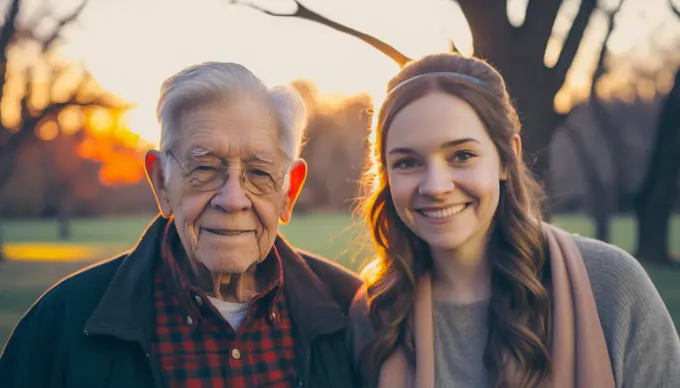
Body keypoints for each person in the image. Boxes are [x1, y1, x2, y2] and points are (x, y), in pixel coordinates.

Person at [0, 62, 362, 388]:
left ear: (289, 192)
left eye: (259, 172)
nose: (233, 199)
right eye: (204, 168)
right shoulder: (60, 326)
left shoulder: (357, 317)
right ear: (161, 183)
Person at [348, 53, 680, 388]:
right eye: (407, 162)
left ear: (508, 158)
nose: (436, 186)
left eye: (462, 155)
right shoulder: (375, 314)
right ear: (386, 175)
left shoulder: (610, 287)